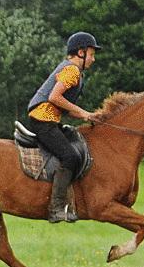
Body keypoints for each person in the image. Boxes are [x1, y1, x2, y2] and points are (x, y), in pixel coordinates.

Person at [25, 31, 100, 223]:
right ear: (81, 53)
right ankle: (56, 208)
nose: (93, 58)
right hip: (43, 120)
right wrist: (84, 113)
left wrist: (89, 115)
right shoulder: (72, 70)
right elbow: (54, 97)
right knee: (70, 156)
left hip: (48, 119)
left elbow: (64, 106)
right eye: (91, 54)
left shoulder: (74, 71)